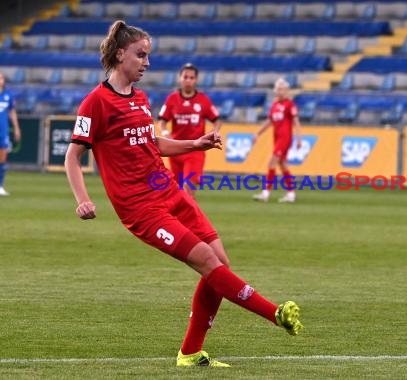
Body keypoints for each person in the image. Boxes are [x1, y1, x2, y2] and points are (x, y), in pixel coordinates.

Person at [64, 20, 303, 368]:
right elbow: (73, 155)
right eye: (140, 55)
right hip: (141, 208)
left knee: (220, 262)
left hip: (169, 191)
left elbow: (153, 143)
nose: (147, 62)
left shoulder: (142, 99)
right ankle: (274, 313)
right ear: (120, 55)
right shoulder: (95, 103)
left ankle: (190, 352)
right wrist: (82, 199)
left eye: (148, 56)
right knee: (207, 260)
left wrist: (196, 142)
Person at [158, 63, 221, 198]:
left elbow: (217, 120)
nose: (188, 80)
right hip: (176, 149)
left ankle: (188, 219)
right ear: (180, 78)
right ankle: (180, 219)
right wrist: (165, 133)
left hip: (195, 150)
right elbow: (162, 121)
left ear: (196, 80)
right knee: (176, 192)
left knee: (188, 189)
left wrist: (214, 133)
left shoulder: (203, 100)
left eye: (191, 78)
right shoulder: (172, 99)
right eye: (185, 77)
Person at [252, 78, 302, 203]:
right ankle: (291, 194)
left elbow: (296, 122)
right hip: (277, 138)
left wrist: (299, 138)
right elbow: (269, 121)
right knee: (283, 164)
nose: (281, 92)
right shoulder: (274, 105)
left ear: (287, 91)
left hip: (285, 138)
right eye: (279, 89)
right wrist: (258, 133)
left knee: (272, 163)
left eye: (283, 89)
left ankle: (266, 193)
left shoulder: (290, 104)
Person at [0, 71, 22, 196]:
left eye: (1, 78)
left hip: (3, 131)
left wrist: (17, 128)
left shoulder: (8, 95)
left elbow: (12, 113)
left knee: (2, 158)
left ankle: (0, 186)